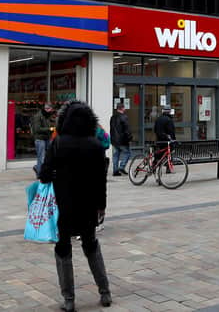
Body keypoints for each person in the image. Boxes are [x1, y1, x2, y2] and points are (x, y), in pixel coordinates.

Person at [38, 102, 112, 311]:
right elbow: (101, 180)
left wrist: (54, 174)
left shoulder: (58, 143)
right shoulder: (96, 145)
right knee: (91, 245)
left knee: (63, 248)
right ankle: (105, 292)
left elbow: (44, 175)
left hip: (64, 204)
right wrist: (101, 206)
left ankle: (69, 299)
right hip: (88, 204)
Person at [31, 103, 55, 175]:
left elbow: (50, 124)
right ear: (47, 109)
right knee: (41, 156)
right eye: (50, 109)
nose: (51, 111)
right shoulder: (38, 116)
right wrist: (50, 129)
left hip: (47, 138)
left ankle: (38, 168)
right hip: (40, 139)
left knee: (49, 156)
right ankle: (40, 173)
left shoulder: (47, 116)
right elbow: (37, 129)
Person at [109, 103, 132, 176]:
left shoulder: (113, 117)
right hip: (122, 140)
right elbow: (126, 129)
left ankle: (115, 171)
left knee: (116, 155)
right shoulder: (124, 117)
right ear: (122, 108)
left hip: (114, 140)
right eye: (124, 107)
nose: (125, 109)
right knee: (127, 153)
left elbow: (112, 129)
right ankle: (121, 167)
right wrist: (129, 138)